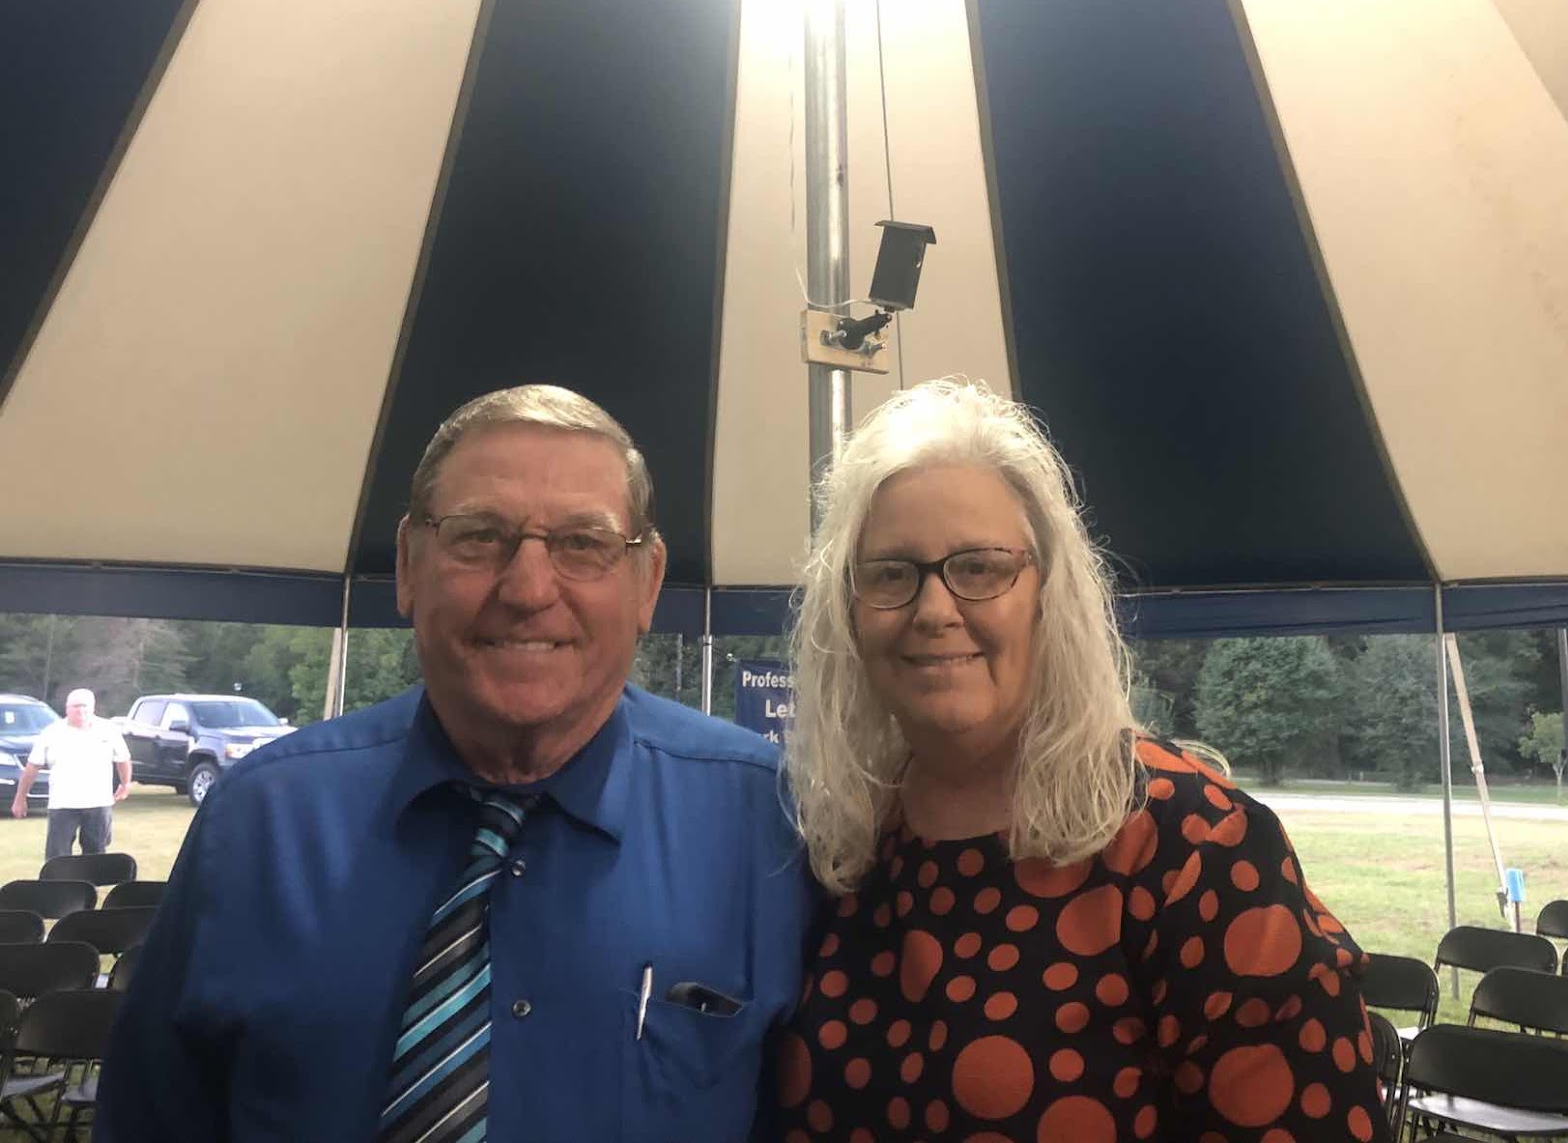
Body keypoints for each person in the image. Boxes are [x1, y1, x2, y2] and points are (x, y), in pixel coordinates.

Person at [96, 386, 816, 1142]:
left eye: (582, 543)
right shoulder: (261, 822)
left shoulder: (766, 820)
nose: (528, 590)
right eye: (480, 536)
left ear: (648, 581)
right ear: (410, 565)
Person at [775, 380, 1388, 1141]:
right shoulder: (844, 840)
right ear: (848, 611)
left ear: (1048, 593)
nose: (934, 610)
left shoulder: (1195, 847)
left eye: (980, 568)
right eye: (891, 574)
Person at [11, 688, 131, 860]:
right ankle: (59, 879)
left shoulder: (108, 730)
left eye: (85, 706)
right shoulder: (51, 732)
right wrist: (20, 798)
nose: (81, 710)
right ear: (67, 708)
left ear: (93, 707)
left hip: (98, 803)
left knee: (96, 855)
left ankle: (91, 879)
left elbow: (123, 759)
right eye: (75, 706)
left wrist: (125, 784)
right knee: (57, 857)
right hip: (63, 804)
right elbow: (32, 767)